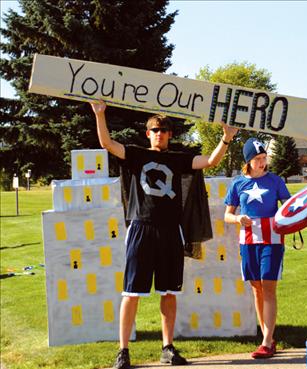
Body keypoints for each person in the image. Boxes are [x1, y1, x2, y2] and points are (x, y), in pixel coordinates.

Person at [90, 100, 238, 369]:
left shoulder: (178, 158)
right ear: (148, 134)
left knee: (169, 292)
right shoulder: (136, 154)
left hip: (171, 230)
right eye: (155, 130)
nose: (159, 133)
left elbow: (209, 161)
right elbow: (108, 144)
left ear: (170, 134)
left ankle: (167, 347)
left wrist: (226, 139)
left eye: (164, 130)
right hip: (140, 227)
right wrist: (100, 115)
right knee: (131, 292)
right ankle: (122, 351)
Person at [224, 138, 290, 359]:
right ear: (248, 161)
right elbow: (227, 215)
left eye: (264, 159)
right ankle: (269, 339)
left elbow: (290, 209)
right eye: (257, 159)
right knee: (257, 289)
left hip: (272, 240)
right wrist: (237, 218)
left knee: (269, 287)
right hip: (249, 241)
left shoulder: (276, 181)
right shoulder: (237, 183)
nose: (262, 163)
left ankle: (265, 341)